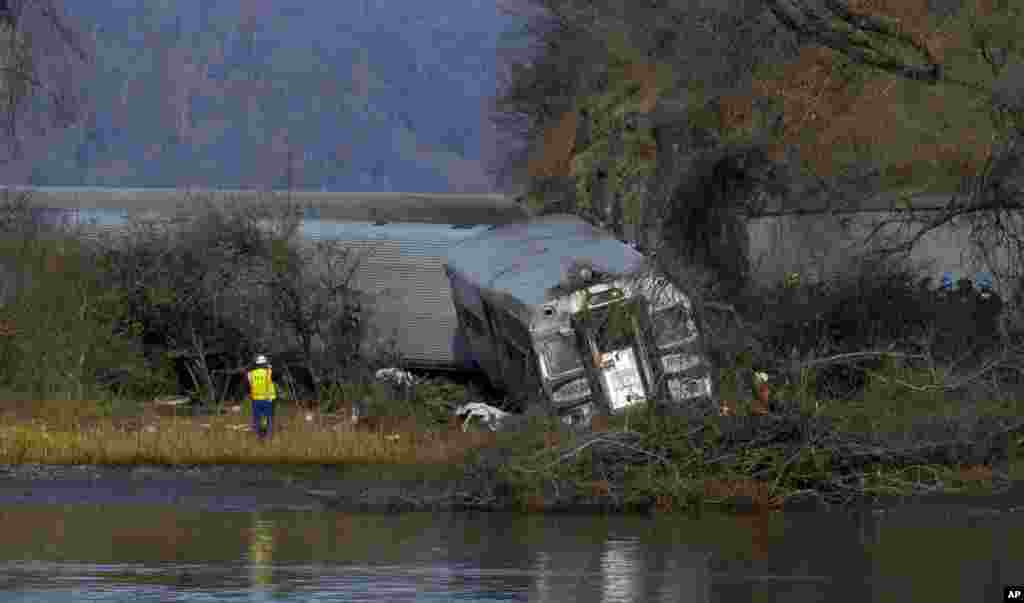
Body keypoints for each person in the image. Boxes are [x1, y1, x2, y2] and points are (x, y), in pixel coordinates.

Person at [247, 354, 277, 440]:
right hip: (268, 399)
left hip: (256, 399)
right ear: (265, 363)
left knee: (256, 418)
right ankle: (268, 436)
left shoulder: (250, 374)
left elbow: (249, 385)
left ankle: (257, 435)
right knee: (269, 418)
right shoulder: (269, 372)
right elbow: (276, 376)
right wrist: (270, 367)